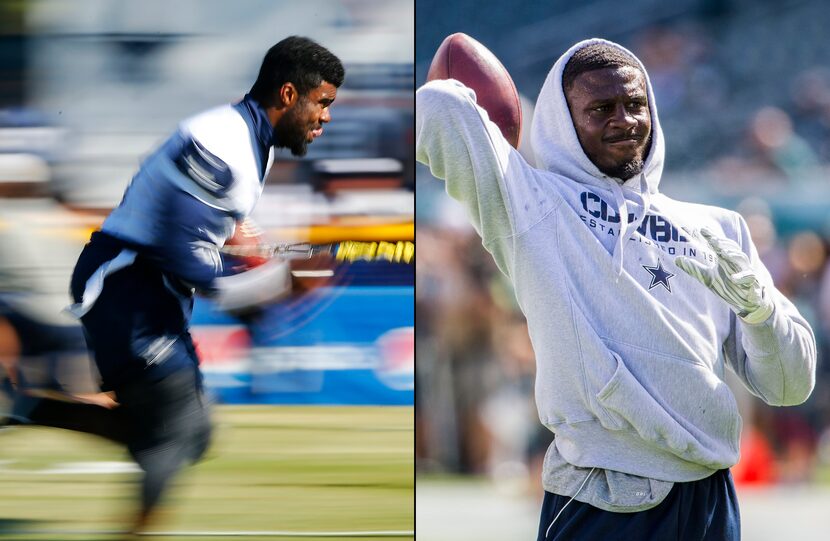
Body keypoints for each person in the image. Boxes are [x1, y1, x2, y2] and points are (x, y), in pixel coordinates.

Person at [416, 38, 815, 540]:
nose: (624, 121)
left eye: (635, 104)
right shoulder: (532, 203)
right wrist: (499, 119)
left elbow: (788, 386)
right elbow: (435, 106)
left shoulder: (720, 227)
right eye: (600, 109)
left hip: (711, 499)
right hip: (605, 496)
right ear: (563, 122)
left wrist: (761, 311)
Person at [64, 35, 343, 535]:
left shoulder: (251, 142)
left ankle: (28, 408)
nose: (326, 118)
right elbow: (192, 266)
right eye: (322, 103)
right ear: (287, 95)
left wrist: (265, 257)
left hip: (148, 293)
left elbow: (209, 235)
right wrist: (281, 280)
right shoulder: (222, 144)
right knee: (179, 430)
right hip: (126, 289)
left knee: (183, 435)